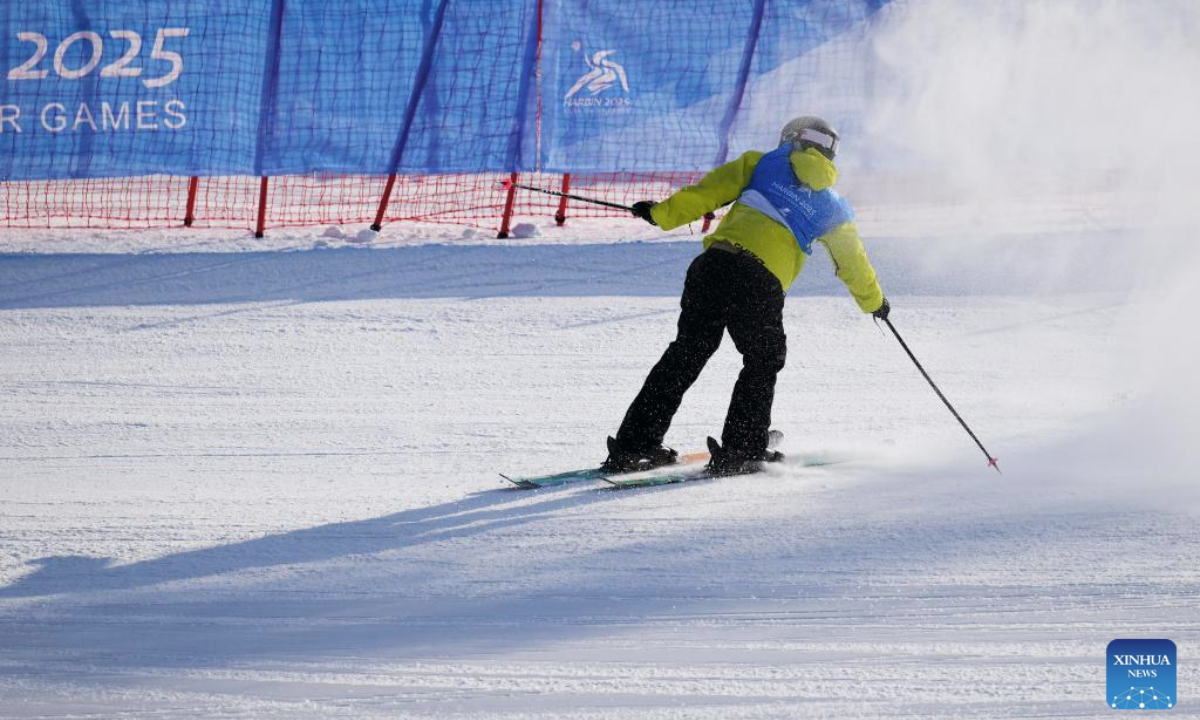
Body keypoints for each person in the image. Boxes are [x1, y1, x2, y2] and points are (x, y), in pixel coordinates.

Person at [600, 116, 889, 477]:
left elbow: (707, 193)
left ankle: (635, 445)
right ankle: (743, 447)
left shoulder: (762, 162)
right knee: (763, 359)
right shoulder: (833, 208)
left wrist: (661, 214)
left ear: (791, 139)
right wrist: (874, 302)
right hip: (758, 280)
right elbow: (853, 263)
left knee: (687, 352)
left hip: (713, 266)